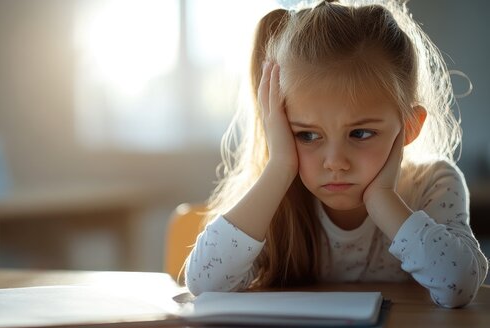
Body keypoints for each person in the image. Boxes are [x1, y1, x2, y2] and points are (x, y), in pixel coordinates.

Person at [184, 0, 488, 308]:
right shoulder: (277, 200)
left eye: (360, 133)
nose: (335, 163)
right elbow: (204, 284)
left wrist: (382, 198)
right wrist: (279, 167)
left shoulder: (432, 184)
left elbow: (459, 286)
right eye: (308, 135)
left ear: (408, 126)